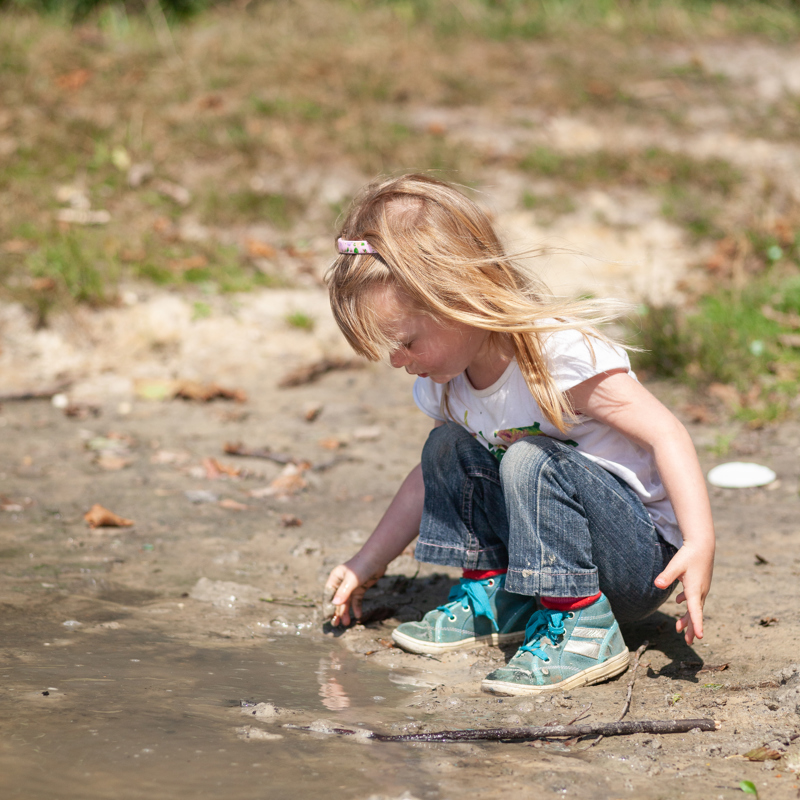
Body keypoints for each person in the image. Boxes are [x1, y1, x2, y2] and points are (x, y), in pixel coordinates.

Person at [324, 173, 715, 696]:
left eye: (405, 343)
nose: (397, 362)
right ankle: (496, 593)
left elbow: (667, 433)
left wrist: (699, 541)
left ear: (456, 298)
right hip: (546, 554)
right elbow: (426, 482)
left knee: (530, 457)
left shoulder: (555, 357)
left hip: (634, 564)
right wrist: (365, 563)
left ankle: (583, 626)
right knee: (446, 448)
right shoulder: (447, 388)